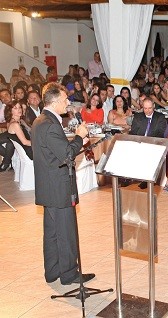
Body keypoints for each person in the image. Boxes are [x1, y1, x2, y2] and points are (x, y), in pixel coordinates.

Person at [31, 82, 94, 285]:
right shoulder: (49, 125)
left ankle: (52, 271)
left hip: (49, 187)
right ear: (56, 101)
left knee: (52, 233)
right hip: (58, 188)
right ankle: (69, 274)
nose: (68, 103)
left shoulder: (41, 121)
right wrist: (79, 137)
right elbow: (66, 155)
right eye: (65, 99)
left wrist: (76, 142)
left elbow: (54, 152)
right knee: (66, 232)